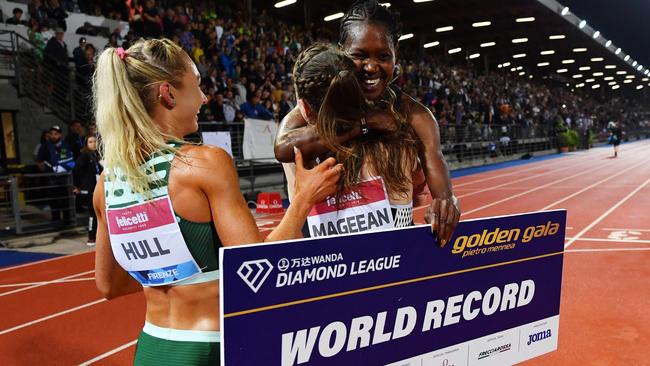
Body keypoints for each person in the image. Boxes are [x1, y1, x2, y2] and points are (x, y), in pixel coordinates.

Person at [92, 39, 341, 365]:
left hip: (152, 347)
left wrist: (170, 278)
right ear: (167, 94)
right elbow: (255, 270)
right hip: (210, 348)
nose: (204, 98)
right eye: (196, 86)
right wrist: (303, 201)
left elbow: (108, 284)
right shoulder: (204, 164)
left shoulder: (105, 184)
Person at [274, 0, 459, 246]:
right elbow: (284, 146)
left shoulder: (415, 115)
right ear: (342, 52)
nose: (371, 67)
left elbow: (440, 179)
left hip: (394, 258)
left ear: (396, 56)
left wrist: (446, 205)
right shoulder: (317, 102)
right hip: (330, 262)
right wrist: (364, 122)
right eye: (359, 56)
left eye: (383, 56)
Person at [289, 44, 419, 237]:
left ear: (304, 109)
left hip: (331, 266)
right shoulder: (398, 143)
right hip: (400, 263)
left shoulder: (296, 157)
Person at [72, 135, 102, 246]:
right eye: (90, 142)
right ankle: (91, 237)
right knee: (92, 214)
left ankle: (98, 235)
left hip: (96, 188)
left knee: (98, 214)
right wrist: (76, 186)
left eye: (95, 141)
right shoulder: (84, 156)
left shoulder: (95, 156)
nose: (93, 143)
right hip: (88, 190)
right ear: (86, 144)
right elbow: (76, 171)